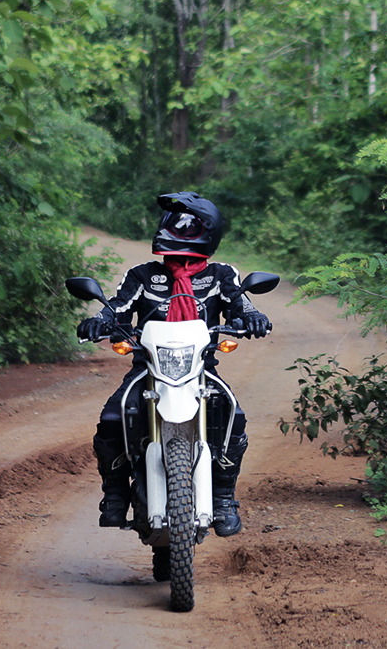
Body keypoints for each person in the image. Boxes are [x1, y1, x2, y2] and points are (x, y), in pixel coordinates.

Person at [78, 192, 273, 536]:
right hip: (147, 370)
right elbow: (115, 307)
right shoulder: (141, 275)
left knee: (233, 419)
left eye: (184, 225)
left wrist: (254, 318)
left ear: (207, 232)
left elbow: (241, 305)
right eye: (172, 223)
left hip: (200, 370)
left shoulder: (220, 274)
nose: (172, 230)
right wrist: (100, 321)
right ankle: (115, 494)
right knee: (111, 419)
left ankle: (224, 498)